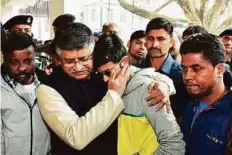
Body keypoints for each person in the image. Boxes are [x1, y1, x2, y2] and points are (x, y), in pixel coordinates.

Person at [36, 22, 175, 154]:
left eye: (84, 59)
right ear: (59, 59)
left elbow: (142, 74)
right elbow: (76, 137)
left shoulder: (104, 71)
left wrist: (164, 85)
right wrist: (113, 95)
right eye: (69, 61)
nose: (78, 67)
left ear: (94, 51)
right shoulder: (48, 88)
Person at [94, 33, 185, 155]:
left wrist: (165, 84)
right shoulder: (108, 88)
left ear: (125, 62)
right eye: (100, 74)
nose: (105, 79)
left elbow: (174, 145)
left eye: (108, 73)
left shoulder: (150, 90)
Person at [180, 33, 232, 155]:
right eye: (184, 69)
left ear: (219, 70)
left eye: (196, 69)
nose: (187, 76)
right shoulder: (186, 102)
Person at [1, 32, 50, 155]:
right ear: (4, 59)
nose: (22, 68)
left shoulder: (48, 84)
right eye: (14, 62)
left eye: (28, 61)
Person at [143, 17, 189, 121]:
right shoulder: (136, 70)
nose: (155, 44)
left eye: (161, 39)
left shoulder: (182, 74)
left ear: (171, 42)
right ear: (145, 41)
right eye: (150, 39)